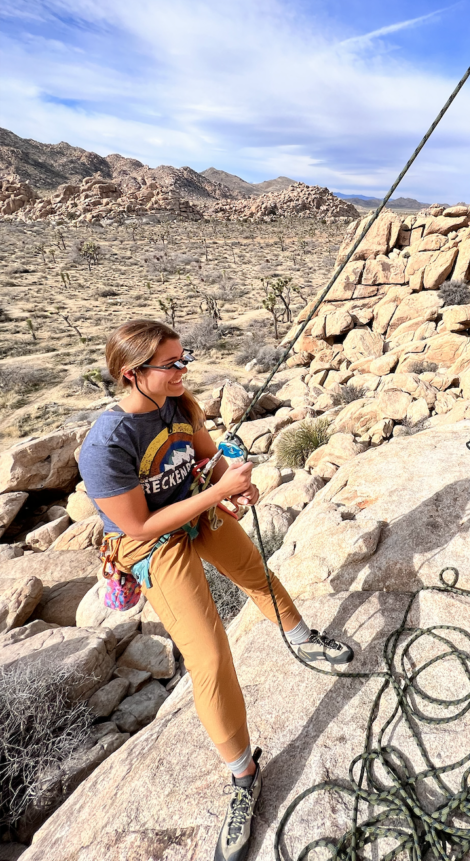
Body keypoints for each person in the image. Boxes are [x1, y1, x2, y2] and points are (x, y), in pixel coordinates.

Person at [78, 320, 354, 861]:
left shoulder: (179, 405)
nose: (184, 371)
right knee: (208, 656)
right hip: (156, 543)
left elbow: (206, 458)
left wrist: (233, 482)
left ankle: (300, 638)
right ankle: (243, 776)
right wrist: (216, 494)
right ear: (132, 374)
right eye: (172, 364)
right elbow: (136, 527)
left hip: (199, 511)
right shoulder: (106, 446)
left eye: (185, 359)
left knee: (256, 573)